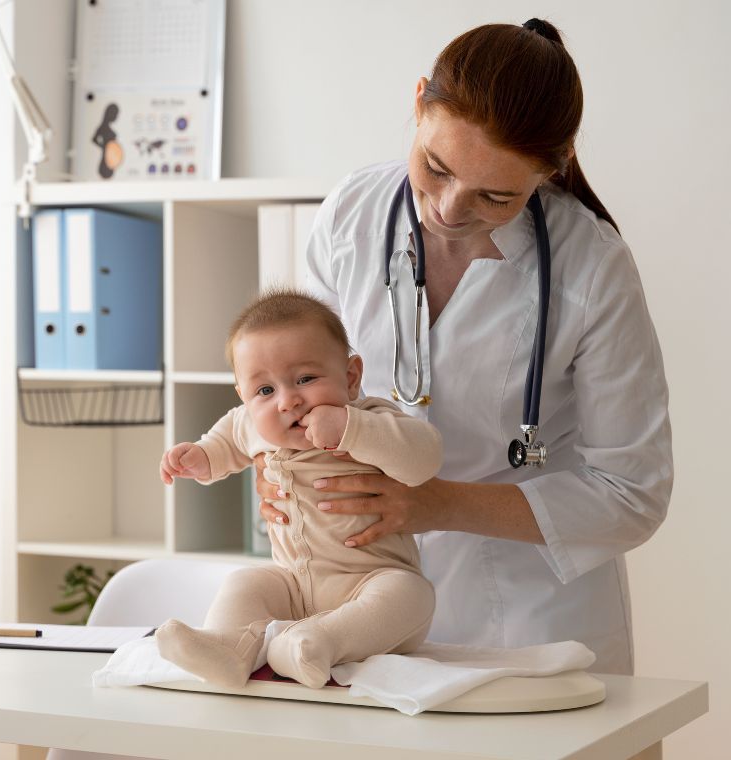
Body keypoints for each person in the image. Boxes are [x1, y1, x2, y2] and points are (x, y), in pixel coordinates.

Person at [252, 19, 671, 675]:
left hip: (533, 619)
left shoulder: (593, 268)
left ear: (548, 171)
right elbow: (296, 378)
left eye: (496, 195)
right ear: (419, 103)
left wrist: (438, 503)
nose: (448, 208)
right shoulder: (352, 214)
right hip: (358, 594)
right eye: (436, 167)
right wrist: (275, 457)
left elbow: (633, 494)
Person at [156, 289, 443, 689]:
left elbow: (424, 457)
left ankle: (316, 644)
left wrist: (351, 430)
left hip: (372, 579)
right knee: (247, 583)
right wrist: (198, 458)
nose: (289, 401)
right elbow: (222, 447)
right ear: (242, 397)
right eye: (265, 391)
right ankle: (229, 648)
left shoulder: (369, 417)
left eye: (306, 379)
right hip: (292, 587)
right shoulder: (248, 423)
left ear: (351, 377)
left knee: (412, 593)